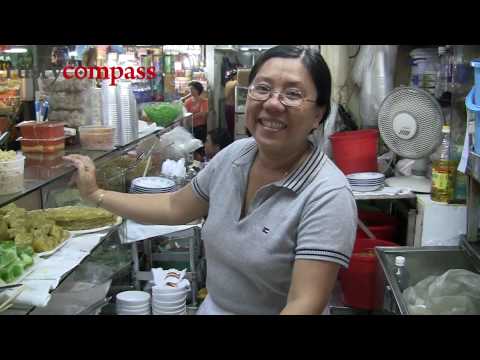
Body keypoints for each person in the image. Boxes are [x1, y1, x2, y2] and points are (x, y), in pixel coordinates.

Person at [63, 45, 357, 315]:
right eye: (263, 88)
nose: (272, 104)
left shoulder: (327, 193)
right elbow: (175, 206)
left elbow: (305, 303)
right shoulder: (236, 155)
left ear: (318, 114)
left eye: (292, 94)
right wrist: (96, 194)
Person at [224, 70, 237, 137]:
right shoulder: (236, 83)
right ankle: (233, 139)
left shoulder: (227, 83)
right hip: (233, 106)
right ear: (235, 76)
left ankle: (230, 138)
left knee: (229, 125)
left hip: (227, 106)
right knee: (234, 125)